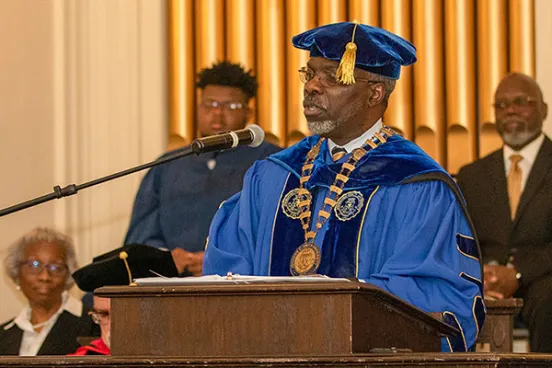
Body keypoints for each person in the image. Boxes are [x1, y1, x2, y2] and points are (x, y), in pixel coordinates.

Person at [203, 21, 484, 352]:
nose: (312, 86)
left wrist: (340, 302)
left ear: (375, 93)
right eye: (309, 74)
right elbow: (228, 270)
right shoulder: (273, 176)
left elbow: (438, 291)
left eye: (332, 77)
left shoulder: (416, 184)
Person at [124, 61, 281, 276]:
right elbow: (142, 237)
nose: (218, 114)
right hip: (173, 286)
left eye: (231, 106)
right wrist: (167, 259)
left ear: (249, 113)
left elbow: (277, 232)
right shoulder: (168, 165)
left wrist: (217, 260)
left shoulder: (271, 162)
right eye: (210, 105)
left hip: (243, 286)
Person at [456, 72, 552, 352]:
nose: (510, 110)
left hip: (543, 279)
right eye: (501, 105)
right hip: (484, 282)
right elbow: (460, 238)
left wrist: (518, 273)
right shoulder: (472, 175)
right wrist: (484, 275)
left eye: (521, 102)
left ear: (543, 110)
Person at [0, 228, 99, 356]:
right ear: (16, 273)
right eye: (34, 265)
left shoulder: (94, 324)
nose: (44, 277)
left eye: (56, 267)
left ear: (69, 275)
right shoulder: (4, 334)